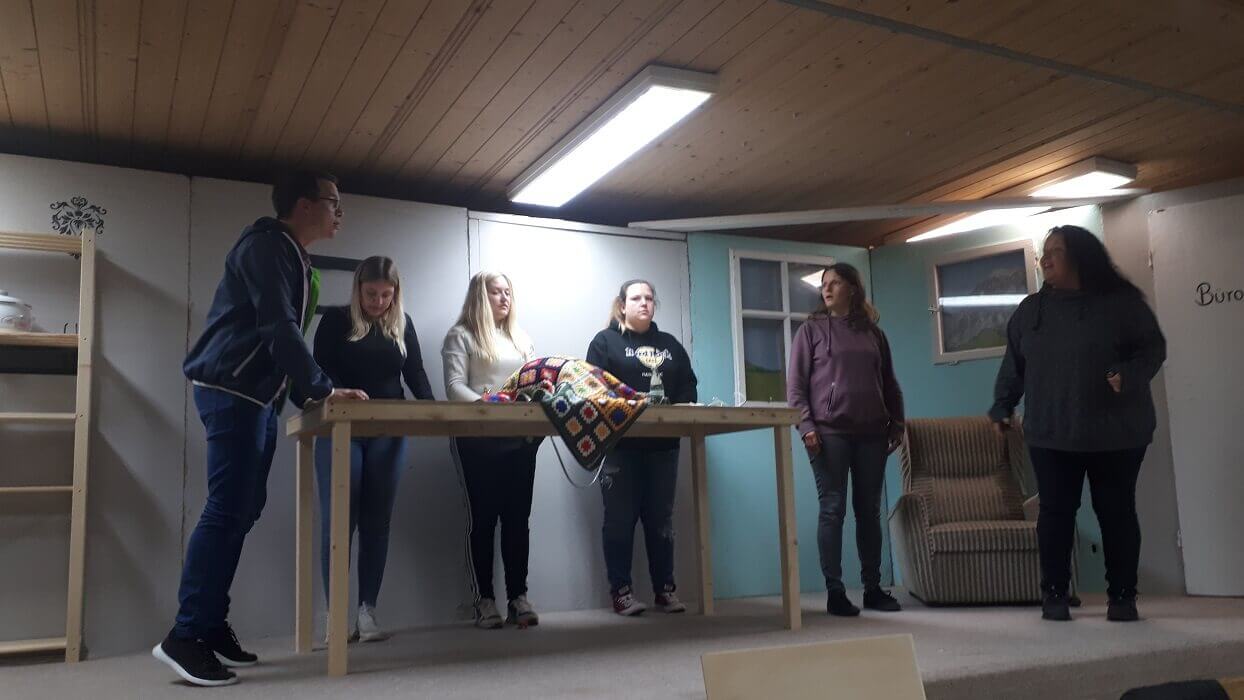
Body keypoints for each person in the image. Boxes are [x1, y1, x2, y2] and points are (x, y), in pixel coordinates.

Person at [155, 171, 368, 687]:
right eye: (333, 203)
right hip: (233, 391)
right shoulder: (268, 246)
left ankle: (208, 623)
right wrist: (321, 388)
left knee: (243, 509)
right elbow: (278, 327)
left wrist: (306, 394)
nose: (340, 213)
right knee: (227, 508)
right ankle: (184, 634)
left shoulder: (292, 255)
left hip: (255, 397)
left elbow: (277, 340)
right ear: (303, 205)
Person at [990, 225, 1166, 623]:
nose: (1045, 259)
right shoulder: (1030, 311)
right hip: (1051, 432)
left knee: (1116, 512)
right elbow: (1014, 364)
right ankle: (1054, 594)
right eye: (1044, 252)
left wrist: (1128, 375)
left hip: (1117, 433)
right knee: (1055, 513)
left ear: (1081, 255)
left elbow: (1153, 349)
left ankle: (1122, 597)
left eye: (1055, 250)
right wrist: (1002, 405)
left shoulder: (1122, 303)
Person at [312, 256, 433, 642]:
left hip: (389, 431)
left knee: (377, 522)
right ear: (357, 290)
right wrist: (337, 391)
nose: (378, 302)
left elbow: (415, 373)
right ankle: (335, 615)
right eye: (370, 294)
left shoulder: (402, 324)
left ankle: (367, 612)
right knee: (338, 522)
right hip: (342, 430)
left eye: (386, 295)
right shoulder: (336, 320)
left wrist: (433, 409)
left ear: (395, 293)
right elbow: (319, 370)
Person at [787, 262, 905, 617]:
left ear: (852, 288)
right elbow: (796, 386)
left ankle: (873, 588)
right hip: (828, 433)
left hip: (872, 432)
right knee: (832, 508)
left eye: (835, 282)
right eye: (824, 283)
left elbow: (889, 382)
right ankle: (835, 591)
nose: (827, 288)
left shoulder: (874, 334)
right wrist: (806, 426)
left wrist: (898, 422)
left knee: (868, 511)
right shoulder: (810, 331)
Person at [586, 279, 697, 616]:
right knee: (619, 521)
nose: (644, 303)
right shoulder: (604, 342)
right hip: (619, 446)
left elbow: (688, 387)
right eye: (636, 298)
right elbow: (591, 389)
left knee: (661, 521)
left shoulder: (670, 345)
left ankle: (665, 590)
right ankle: (621, 592)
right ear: (622, 305)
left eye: (649, 298)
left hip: (663, 447)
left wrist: (678, 407)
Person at [442, 272, 540, 629]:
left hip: (520, 438)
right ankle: (484, 600)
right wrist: (488, 406)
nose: (504, 298)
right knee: (482, 520)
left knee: (517, 520)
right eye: (496, 292)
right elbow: (455, 386)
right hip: (477, 438)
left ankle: (518, 597)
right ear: (479, 297)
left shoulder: (521, 338)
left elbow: (535, 381)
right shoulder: (461, 335)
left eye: (508, 292)